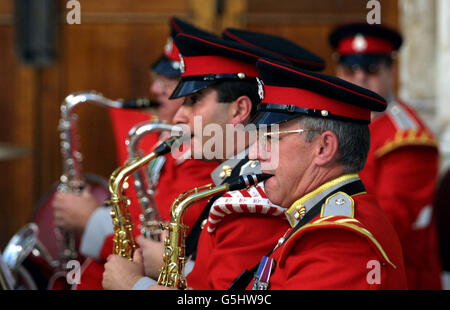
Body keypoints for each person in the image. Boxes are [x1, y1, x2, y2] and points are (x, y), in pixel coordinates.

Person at [102, 30, 325, 290]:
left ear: (239, 110)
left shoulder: (253, 196)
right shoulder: (233, 175)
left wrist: (133, 285)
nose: (178, 117)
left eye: (193, 101)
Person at [52, 17, 218, 290]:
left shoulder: (207, 154)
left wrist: (90, 220)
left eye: (171, 82)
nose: (155, 89)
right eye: (158, 79)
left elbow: (152, 249)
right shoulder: (166, 138)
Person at [235, 57, 407, 289]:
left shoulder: (340, 242)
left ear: (324, 148)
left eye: (271, 138)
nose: (255, 153)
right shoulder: (314, 217)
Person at [329, 22, 442, 290]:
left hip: (389, 273)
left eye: (371, 69)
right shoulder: (329, 123)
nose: (359, 78)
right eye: (350, 68)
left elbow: (386, 224)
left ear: (392, 71)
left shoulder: (408, 139)